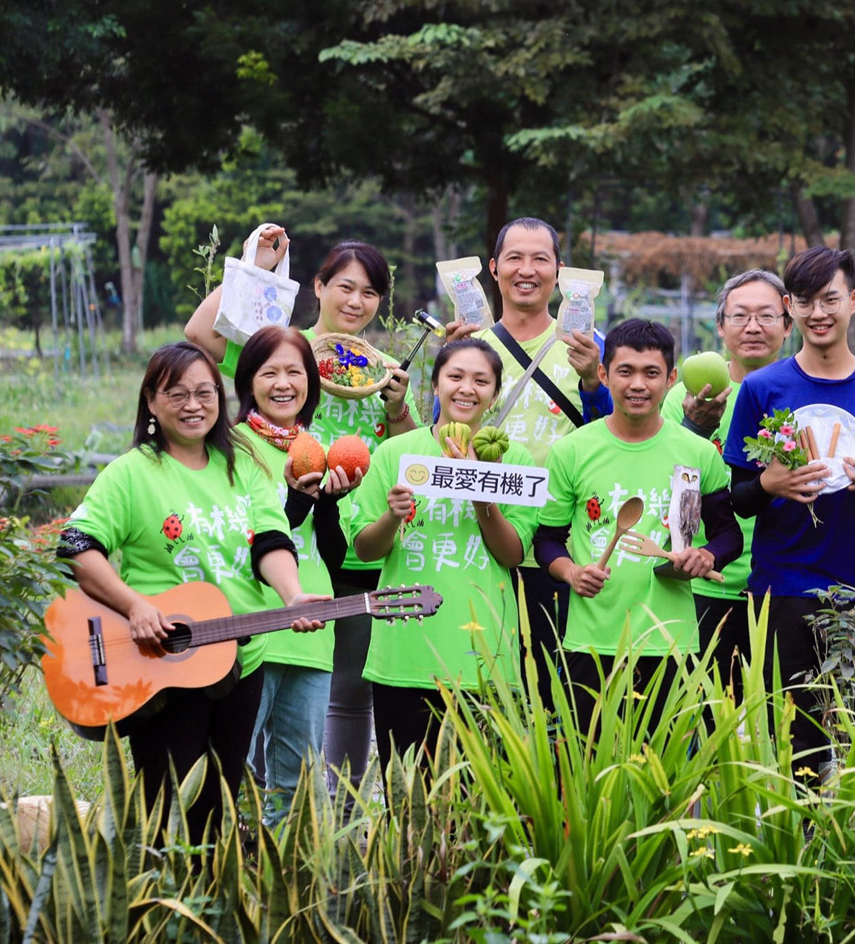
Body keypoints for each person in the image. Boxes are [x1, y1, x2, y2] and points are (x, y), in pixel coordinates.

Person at [186, 226, 421, 806]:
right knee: (263, 681)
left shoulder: (383, 372)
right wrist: (253, 270)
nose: (355, 302)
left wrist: (395, 411)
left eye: (369, 293)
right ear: (317, 287)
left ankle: (328, 812)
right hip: (275, 542)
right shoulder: (283, 350)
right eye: (344, 286)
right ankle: (261, 802)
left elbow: (410, 455)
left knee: (339, 688)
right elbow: (198, 335)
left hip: (350, 541)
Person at [57, 342, 325, 841]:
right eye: (176, 394)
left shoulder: (243, 466)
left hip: (242, 658)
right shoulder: (131, 473)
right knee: (163, 805)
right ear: (151, 402)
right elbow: (77, 546)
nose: (193, 404)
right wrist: (134, 607)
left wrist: (291, 595)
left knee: (217, 806)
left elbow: (270, 540)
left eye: (205, 392)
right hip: (162, 662)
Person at [723, 247, 855, 781]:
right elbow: (739, 498)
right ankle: (798, 846)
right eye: (805, 301)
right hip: (780, 590)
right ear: (791, 307)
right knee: (797, 747)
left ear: (854, 301)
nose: (818, 313)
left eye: (830, 299)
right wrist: (769, 482)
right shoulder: (762, 389)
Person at [534, 319, 741, 733]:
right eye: (625, 372)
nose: (638, 384)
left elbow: (728, 534)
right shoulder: (572, 451)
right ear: (603, 374)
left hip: (672, 644)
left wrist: (706, 555)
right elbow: (546, 541)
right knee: (589, 775)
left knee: (666, 776)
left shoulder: (699, 452)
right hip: (590, 643)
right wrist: (572, 572)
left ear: (672, 379)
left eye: (651, 373)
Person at [443, 217, 613, 710]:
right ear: (493, 269)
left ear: (559, 272)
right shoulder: (472, 344)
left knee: (553, 687)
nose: (527, 269)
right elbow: (444, 434)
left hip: (557, 544)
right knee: (475, 677)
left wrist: (592, 382)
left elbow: (608, 437)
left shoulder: (587, 346)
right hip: (480, 536)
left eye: (541, 259)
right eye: (515, 258)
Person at [347, 338, 539, 773]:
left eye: (480, 380)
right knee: (407, 800)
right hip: (404, 650)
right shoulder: (396, 453)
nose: (466, 388)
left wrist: (480, 493)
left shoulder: (515, 459)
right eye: (455, 377)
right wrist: (392, 517)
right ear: (435, 386)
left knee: (479, 806)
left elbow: (512, 554)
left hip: (484, 658)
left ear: (494, 394)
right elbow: (365, 548)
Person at [231, 325, 357, 826]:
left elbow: (336, 556)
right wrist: (299, 501)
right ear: (249, 382)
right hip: (248, 626)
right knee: (232, 768)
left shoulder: (319, 450)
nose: (284, 384)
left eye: (295, 372)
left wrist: (328, 505)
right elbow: (250, 538)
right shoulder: (230, 448)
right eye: (270, 372)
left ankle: (287, 883)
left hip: (310, 627)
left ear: (311, 382)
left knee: (298, 780)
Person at [659, 269, 792, 701]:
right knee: (705, 713)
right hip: (705, 578)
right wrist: (693, 428)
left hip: (785, 582)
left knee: (782, 716)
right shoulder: (686, 396)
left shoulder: (806, 390)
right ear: (720, 326)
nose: (753, 327)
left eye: (766, 316)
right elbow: (665, 479)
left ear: (788, 325)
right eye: (739, 316)